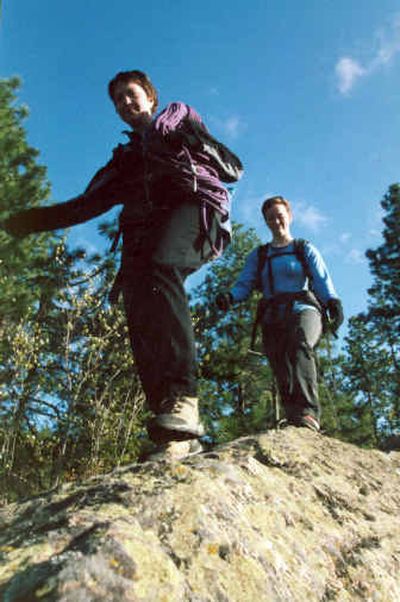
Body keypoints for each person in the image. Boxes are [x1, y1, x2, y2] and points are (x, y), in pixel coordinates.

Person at [3, 70, 243, 461]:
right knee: (140, 303)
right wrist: (26, 222)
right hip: (148, 236)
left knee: (161, 265)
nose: (125, 104)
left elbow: (233, 168)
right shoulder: (126, 160)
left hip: (198, 213)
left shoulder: (179, 121)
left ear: (150, 96)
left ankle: (184, 397)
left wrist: (182, 135)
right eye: (117, 101)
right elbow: (85, 205)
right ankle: (175, 430)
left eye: (131, 95)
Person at [216, 195, 343, 432]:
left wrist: (333, 302)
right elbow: (245, 283)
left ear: (290, 217)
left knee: (299, 344)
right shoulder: (260, 255)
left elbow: (321, 278)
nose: (276, 221)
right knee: (279, 360)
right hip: (273, 314)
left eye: (280, 216)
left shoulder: (303, 248)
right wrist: (230, 297)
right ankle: (294, 417)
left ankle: (308, 412)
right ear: (266, 221)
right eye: (270, 218)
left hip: (304, 308)